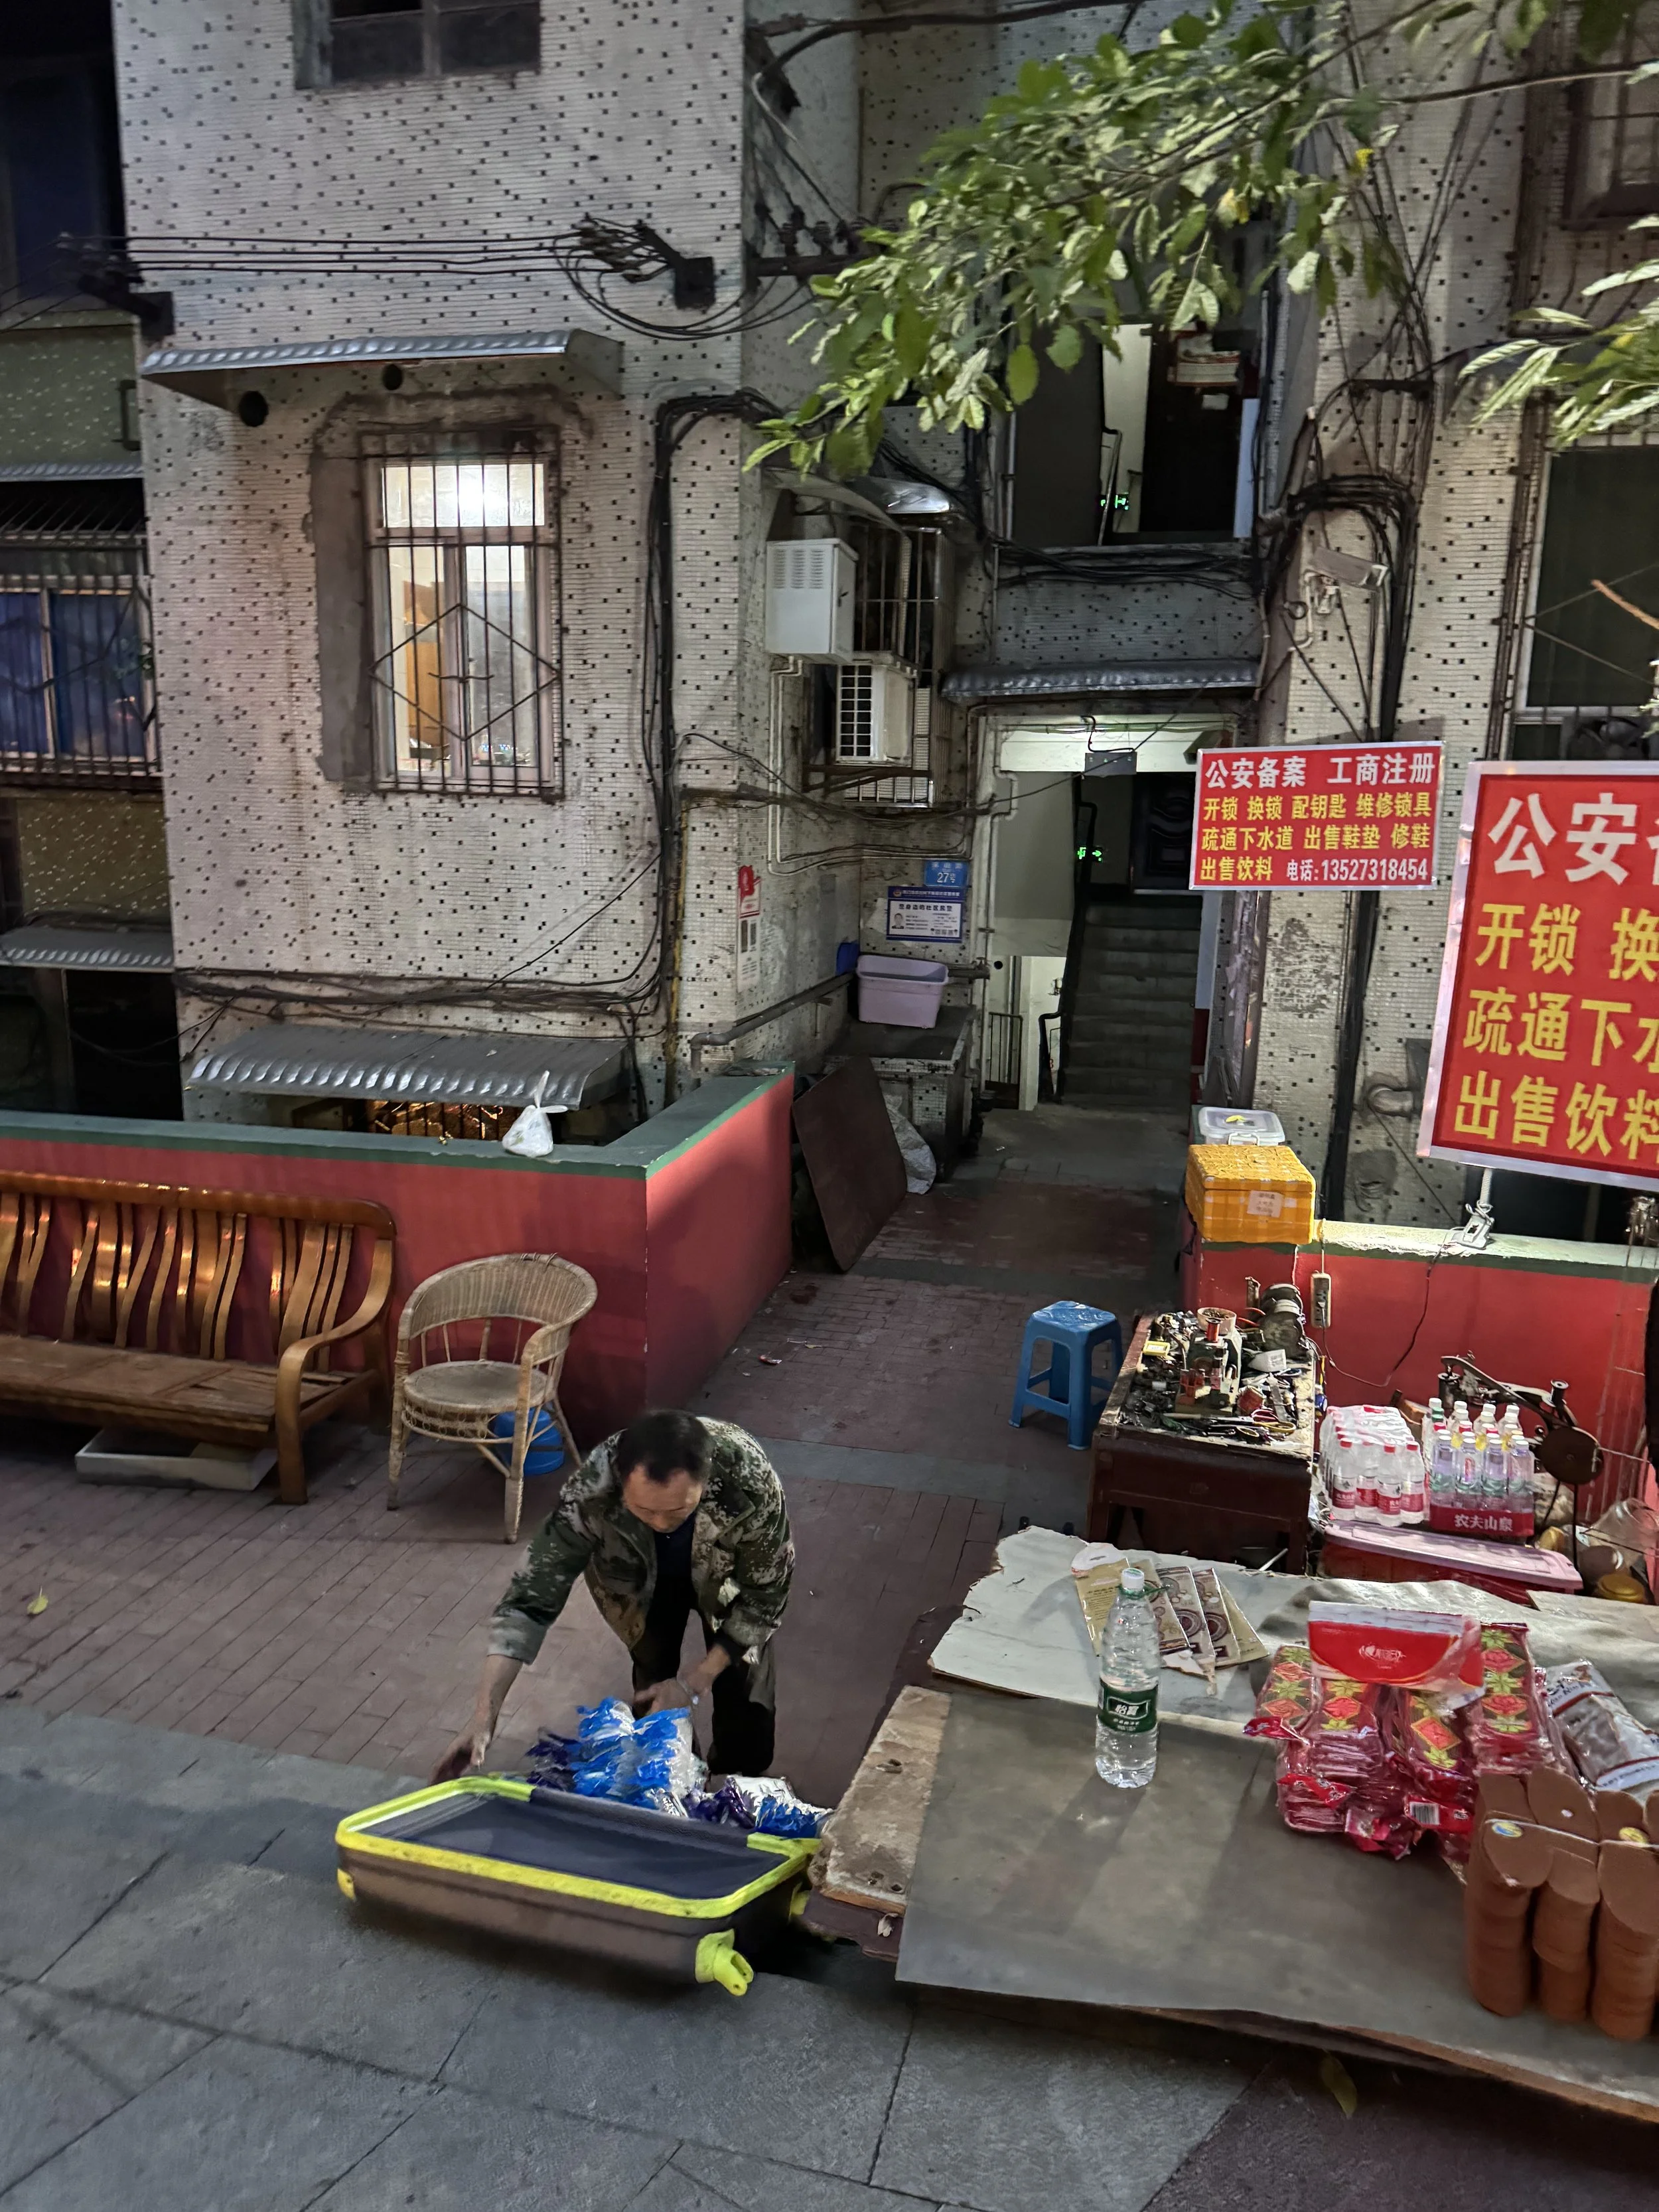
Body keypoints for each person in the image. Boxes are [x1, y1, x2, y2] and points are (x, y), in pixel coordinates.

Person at [431, 1409, 793, 1783]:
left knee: (746, 1691)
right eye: (644, 1510)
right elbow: (529, 1599)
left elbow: (764, 1599)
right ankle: (674, 1783)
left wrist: (694, 1683)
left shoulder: (749, 1480)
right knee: (654, 1688)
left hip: (727, 1582)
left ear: (707, 1481)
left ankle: (743, 1785)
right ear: (621, 1482)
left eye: (678, 1511)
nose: (660, 1523)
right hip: (638, 1586)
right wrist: (482, 1721)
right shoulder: (591, 1490)